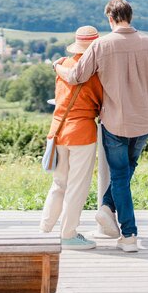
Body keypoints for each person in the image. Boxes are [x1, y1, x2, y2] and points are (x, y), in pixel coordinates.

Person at [54, 0, 148, 252]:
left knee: (119, 176)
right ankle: (106, 208)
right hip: (144, 121)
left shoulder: (101, 46)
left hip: (115, 122)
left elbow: (75, 76)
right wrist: (147, 99)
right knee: (125, 173)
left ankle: (129, 235)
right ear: (130, 16)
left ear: (110, 18)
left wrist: (57, 66)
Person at [40, 25, 103, 250]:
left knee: (59, 183)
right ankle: (68, 234)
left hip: (58, 130)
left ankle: (46, 228)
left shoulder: (63, 65)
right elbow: (100, 103)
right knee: (77, 186)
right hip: (82, 133)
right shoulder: (96, 72)